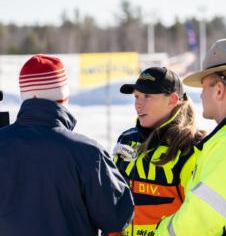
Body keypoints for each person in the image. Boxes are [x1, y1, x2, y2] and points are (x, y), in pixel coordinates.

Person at [0, 54, 134, 236]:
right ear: (64, 96)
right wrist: (120, 176)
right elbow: (116, 217)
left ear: (25, 95)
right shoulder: (88, 153)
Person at [155, 38, 226, 236]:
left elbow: (197, 223)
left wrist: (159, 232)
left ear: (219, 90)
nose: (200, 96)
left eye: (203, 87)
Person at [108, 67, 205, 236]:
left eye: (147, 96)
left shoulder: (191, 147)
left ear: (173, 99)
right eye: (137, 96)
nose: (138, 103)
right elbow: (115, 197)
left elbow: (199, 216)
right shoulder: (127, 139)